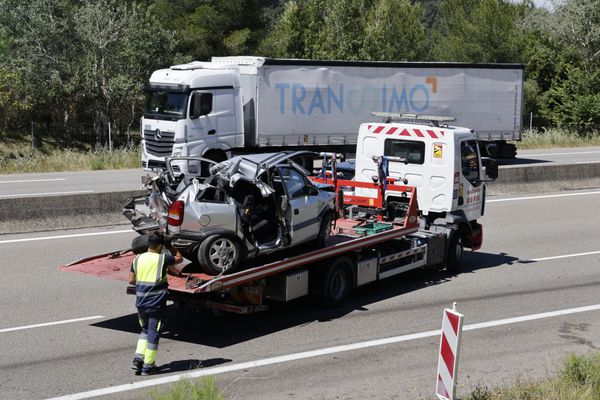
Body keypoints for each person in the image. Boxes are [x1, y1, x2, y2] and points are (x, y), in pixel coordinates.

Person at [129, 233, 183, 375]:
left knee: (145, 330)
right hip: (156, 303)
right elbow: (179, 258)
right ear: (160, 246)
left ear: (148, 244)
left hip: (140, 303)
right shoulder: (162, 258)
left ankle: (138, 360)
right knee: (153, 333)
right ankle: (148, 365)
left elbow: (131, 280)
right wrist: (170, 246)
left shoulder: (137, 258)